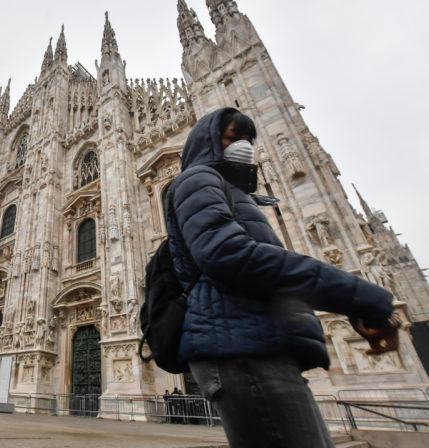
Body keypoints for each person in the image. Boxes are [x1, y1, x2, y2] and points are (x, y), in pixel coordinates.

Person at [164, 108, 399, 448]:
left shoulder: (235, 192)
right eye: (232, 138)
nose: (243, 146)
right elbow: (230, 256)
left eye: (248, 139)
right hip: (239, 347)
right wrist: (358, 295)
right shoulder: (199, 180)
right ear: (208, 141)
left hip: (260, 342)